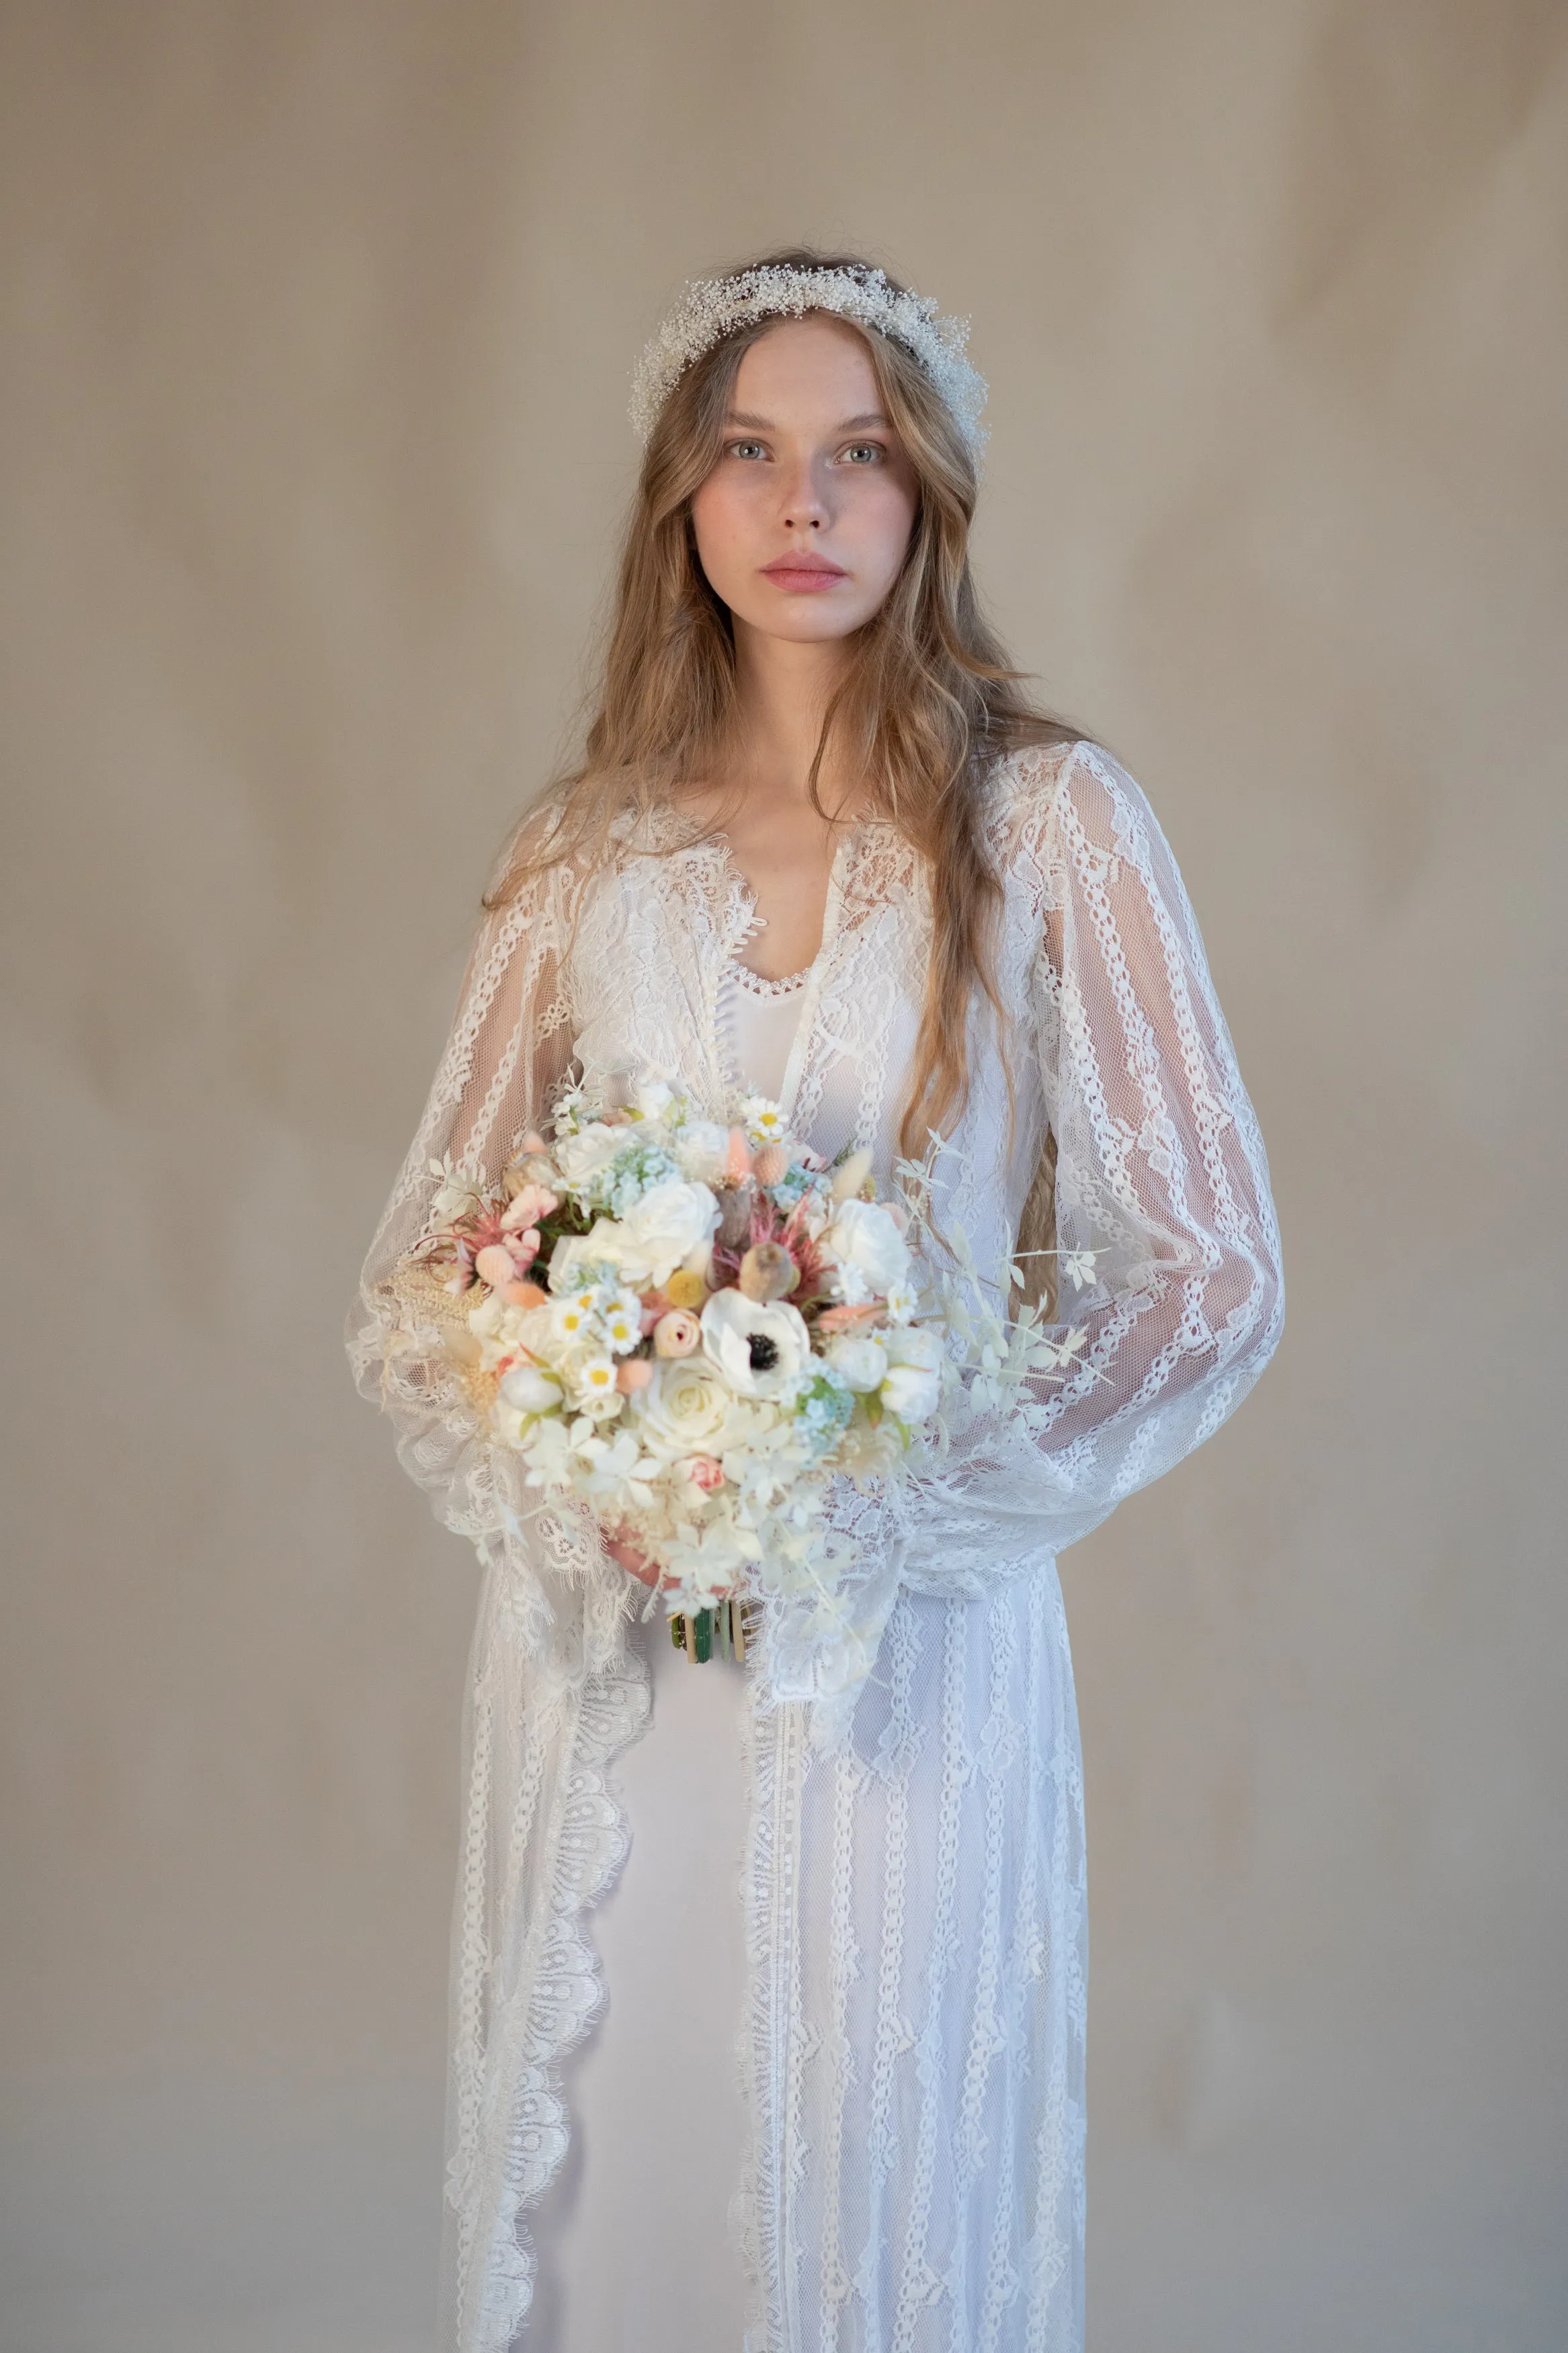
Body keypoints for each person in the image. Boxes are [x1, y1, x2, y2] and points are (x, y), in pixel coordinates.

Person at [349, 249, 1283, 2353]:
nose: (804, 503)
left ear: (926, 495)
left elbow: (1209, 1263)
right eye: (751, 452)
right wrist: (572, 1454)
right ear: (681, 497)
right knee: (614, 2151)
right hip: (609, 1644)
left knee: (855, 2158)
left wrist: (894, 1488)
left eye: (857, 455)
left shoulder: (1048, 828)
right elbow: (430, 1264)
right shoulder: (579, 857)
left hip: (896, 1660)